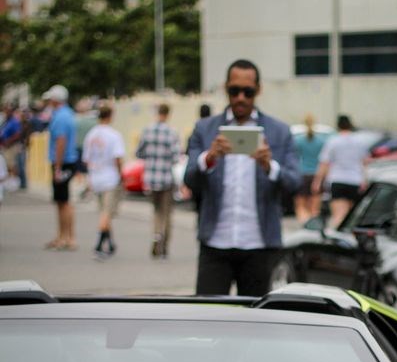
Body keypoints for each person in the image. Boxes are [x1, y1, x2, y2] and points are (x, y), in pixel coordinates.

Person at [184, 58, 300, 296]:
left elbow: (294, 182)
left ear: (257, 90)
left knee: (255, 324)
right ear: (225, 88)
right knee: (207, 318)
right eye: (234, 91)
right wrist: (209, 158)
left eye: (247, 92)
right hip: (215, 244)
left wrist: (269, 166)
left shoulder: (279, 131)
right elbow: (189, 179)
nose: (240, 98)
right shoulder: (205, 129)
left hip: (259, 245)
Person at [135, 103, 181, 259]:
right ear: (168, 114)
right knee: (167, 213)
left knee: (156, 211)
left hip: (151, 178)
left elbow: (139, 152)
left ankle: (156, 236)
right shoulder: (172, 133)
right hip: (166, 178)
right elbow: (176, 157)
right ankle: (165, 245)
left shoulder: (147, 130)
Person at [82, 103, 125, 260]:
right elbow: (118, 158)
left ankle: (110, 243)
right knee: (107, 213)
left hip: (96, 177)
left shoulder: (91, 135)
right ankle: (99, 245)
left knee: (103, 213)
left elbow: (86, 159)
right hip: (110, 178)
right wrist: (121, 175)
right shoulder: (114, 135)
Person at [312, 114, 367, 225]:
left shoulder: (333, 141)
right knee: (351, 218)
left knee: (338, 216)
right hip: (354, 180)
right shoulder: (360, 141)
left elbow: (324, 163)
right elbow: (364, 163)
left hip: (337, 180)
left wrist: (317, 181)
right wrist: (364, 180)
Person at [42, 84, 78, 251]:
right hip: (64, 162)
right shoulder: (65, 114)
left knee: (64, 201)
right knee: (60, 201)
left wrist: (57, 166)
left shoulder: (61, 117)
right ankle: (62, 236)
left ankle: (68, 237)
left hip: (63, 162)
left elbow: (61, 141)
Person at [293, 115, 330, 222]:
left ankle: (303, 225)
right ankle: (313, 227)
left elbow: (294, 158)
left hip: (302, 173)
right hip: (316, 174)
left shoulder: (298, 140)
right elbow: (324, 161)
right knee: (315, 207)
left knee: (300, 205)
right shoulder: (321, 141)